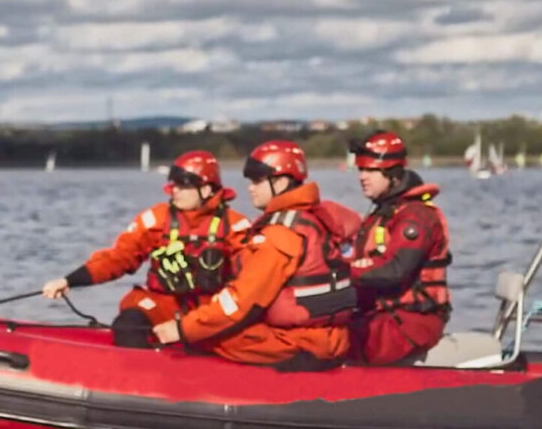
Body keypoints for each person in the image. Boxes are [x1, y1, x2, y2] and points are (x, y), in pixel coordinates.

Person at [150, 141, 355, 369]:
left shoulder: (280, 235)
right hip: (332, 337)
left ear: (281, 182)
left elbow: (239, 303)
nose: (250, 188)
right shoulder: (316, 218)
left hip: (300, 343)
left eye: (258, 181)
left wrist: (182, 329)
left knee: (208, 336)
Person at [42, 151, 252, 347]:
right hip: (164, 304)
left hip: (210, 309)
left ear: (206, 189)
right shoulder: (156, 219)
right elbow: (118, 258)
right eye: (174, 184)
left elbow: (253, 278)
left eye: (183, 185)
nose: (174, 190)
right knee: (129, 325)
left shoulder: (235, 226)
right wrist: (70, 280)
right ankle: (138, 374)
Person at [345, 130, 451, 365]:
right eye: (361, 170)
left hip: (412, 320)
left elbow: (396, 270)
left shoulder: (416, 217)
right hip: (384, 314)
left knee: (335, 345)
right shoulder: (384, 213)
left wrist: (341, 273)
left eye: (371, 170)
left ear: (392, 174)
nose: (363, 177)